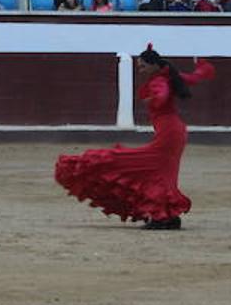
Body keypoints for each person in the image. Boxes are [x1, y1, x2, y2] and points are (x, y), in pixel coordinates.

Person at [54, 45, 215, 230]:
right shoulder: (170, 76)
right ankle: (166, 215)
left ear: (154, 65)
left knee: (149, 169)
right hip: (175, 131)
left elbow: (161, 94)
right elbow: (194, 78)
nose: (141, 69)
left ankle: (161, 216)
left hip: (168, 132)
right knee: (163, 174)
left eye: (143, 66)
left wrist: (155, 98)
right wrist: (203, 68)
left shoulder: (159, 81)